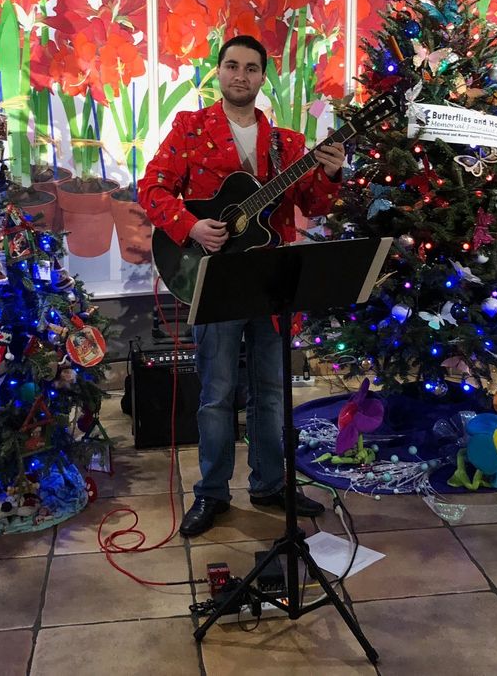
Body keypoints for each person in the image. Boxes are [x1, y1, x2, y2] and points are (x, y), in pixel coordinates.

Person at [138, 35, 346, 537]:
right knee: (215, 394)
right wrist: (190, 226)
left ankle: (270, 483)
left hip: (274, 282)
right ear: (219, 71)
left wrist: (332, 174)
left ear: (262, 78)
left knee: (272, 392)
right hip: (215, 278)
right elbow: (152, 188)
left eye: (252, 68)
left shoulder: (289, 143)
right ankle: (211, 493)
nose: (240, 75)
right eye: (232, 66)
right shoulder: (190, 128)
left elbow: (314, 205)